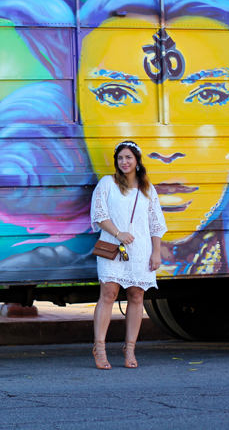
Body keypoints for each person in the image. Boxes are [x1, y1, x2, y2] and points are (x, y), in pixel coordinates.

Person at [90, 140, 167, 369]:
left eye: (128, 158)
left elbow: (156, 223)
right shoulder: (107, 183)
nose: (124, 162)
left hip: (140, 249)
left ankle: (130, 349)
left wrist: (156, 252)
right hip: (111, 246)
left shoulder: (146, 188)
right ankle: (100, 349)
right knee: (108, 294)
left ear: (137, 161)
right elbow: (99, 214)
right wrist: (118, 233)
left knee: (136, 296)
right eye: (120, 158)